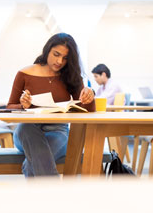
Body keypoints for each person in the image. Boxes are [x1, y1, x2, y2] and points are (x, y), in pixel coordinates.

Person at [7, 33, 95, 177]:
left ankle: (46, 198)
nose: (60, 61)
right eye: (56, 54)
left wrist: (90, 95)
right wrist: (23, 105)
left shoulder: (71, 75)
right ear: (48, 49)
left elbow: (89, 109)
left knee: (31, 166)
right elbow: (10, 107)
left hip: (58, 132)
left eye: (65, 58)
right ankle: (55, 196)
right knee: (25, 127)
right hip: (26, 133)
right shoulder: (24, 73)